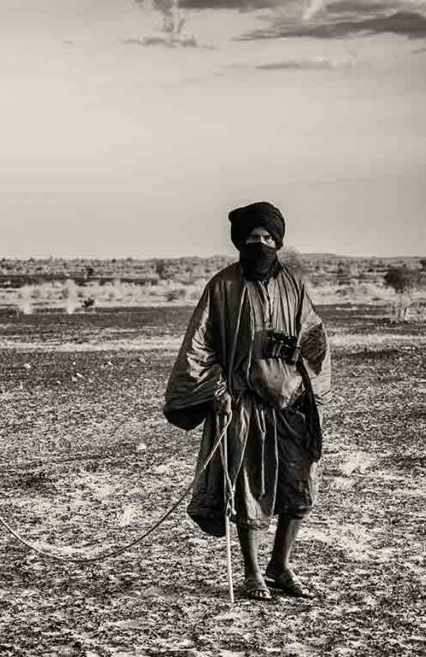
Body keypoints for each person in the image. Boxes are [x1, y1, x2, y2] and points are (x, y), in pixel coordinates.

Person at [163, 201, 331, 601]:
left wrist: (301, 384)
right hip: (241, 402)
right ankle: (253, 573)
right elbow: (199, 346)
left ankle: (281, 566)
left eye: (268, 238)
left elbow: (315, 340)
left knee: (299, 483)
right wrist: (216, 389)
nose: (261, 244)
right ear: (241, 242)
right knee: (247, 486)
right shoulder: (222, 286)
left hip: (289, 403)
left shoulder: (295, 286)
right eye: (254, 238)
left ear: (279, 242)